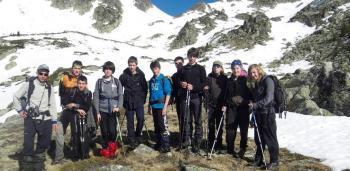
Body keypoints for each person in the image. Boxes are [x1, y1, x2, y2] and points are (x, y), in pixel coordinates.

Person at [13, 64, 57, 170]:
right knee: (28, 143)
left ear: (48, 75)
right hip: (30, 118)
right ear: (37, 73)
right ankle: (27, 165)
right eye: (41, 73)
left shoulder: (49, 87)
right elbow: (16, 96)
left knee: (44, 143)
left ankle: (39, 165)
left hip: (46, 119)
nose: (43, 76)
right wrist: (20, 110)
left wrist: (54, 120)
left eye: (45, 74)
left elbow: (53, 104)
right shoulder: (29, 84)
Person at [248, 64, 279, 169]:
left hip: (268, 114)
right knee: (259, 138)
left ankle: (274, 161)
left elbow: (269, 98)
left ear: (259, 71)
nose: (252, 74)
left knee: (270, 138)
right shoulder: (257, 83)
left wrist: (256, 105)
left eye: (254, 72)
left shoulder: (268, 80)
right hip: (259, 114)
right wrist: (253, 116)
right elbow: (256, 101)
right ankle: (259, 159)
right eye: (251, 73)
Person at [54, 60, 83, 164]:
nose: (77, 70)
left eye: (79, 69)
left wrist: (77, 107)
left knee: (75, 133)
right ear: (72, 68)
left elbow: (85, 96)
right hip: (66, 110)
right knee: (59, 132)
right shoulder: (65, 78)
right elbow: (61, 94)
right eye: (75, 68)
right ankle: (58, 158)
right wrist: (64, 105)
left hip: (76, 111)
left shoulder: (81, 80)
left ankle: (75, 155)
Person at [178, 47, 207, 153]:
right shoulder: (183, 69)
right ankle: (187, 139)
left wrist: (193, 87)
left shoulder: (200, 69)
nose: (192, 58)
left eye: (194, 56)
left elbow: (204, 84)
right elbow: (179, 81)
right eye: (190, 56)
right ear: (188, 56)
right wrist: (182, 84)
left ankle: (197, 142)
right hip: (185, 98)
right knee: (187, 120)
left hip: (197, 98)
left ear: (197, 57)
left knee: (198, 120)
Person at [222, 59, 252, 158]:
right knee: (230, 129)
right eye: (234, 68)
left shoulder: (246, 80)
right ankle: (230, 148)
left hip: (243, 108)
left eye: (237, 68)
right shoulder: (229, 80)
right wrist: (225, 104)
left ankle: (242, 149)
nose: (236, 70)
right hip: (231, 108)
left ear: (241, 68)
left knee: (243, 130)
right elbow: (226, 94)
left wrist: (249, 103)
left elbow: (251, 93)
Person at [94, 61, 123, 158]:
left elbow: (120, 95)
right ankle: (106, 148)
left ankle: (112, 148)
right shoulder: (99, 82)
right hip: (102, 110)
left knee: (112, 131)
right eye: (106, 69)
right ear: (103, 70)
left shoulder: (117, 81)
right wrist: (97, 112)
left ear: (112, 71)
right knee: (104, 130)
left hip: (113, 110)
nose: (107, 71)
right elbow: (96, 97)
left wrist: (118, 107)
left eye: (110, 69)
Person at [119, 56, 148, 149]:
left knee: (141, 119)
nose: (131, 67)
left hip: (139, 101)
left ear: (136, 65)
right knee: (130, 122)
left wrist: (143, 99)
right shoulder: (124, 75)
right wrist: (123, 100)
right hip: (128, 102)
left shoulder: (141, 74)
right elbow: (120, 89)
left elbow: (145, 88)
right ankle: (131, 139)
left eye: (133, 65)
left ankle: (138, 135)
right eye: (130, 65)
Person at [66, 75, 92, 160]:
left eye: (83, 83)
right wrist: (77, 109)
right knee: (76, 134)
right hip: (74, 116)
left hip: (85, 116)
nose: (81, 85)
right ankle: (76, 155)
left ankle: (85, 154)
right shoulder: (73, 92)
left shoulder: (88, 93)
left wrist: (75, 105)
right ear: (77, 83)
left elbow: (87, 106)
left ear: (86, 84)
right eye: (79, 83)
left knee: (85, 134)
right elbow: (68, 104)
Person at [148, 61, 172, 153]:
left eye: (156, 68)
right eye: (153, 69)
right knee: (156, 125)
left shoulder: (163, 79)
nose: (154, 71)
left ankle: (166, 146)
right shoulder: (151, 80)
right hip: (154, 106)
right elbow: (151, 94)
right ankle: (159, 144)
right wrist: (149, 107)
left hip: (161, 106)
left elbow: (168, 93)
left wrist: (165, 107)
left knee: (162, 126)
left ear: (159, 68)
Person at [204, 61, 227, 152]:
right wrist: (206, 104)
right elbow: (206, 90)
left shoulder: (225, 78)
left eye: (218, 66)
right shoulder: (209, 77)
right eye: (215, 66)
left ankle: (218, 144)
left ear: (221, 68)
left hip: (220, 105)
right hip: (211, 105)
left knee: (220, 126)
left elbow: (226, 93)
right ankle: (210, 144)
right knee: (211, 125)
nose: (216, 68)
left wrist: (225, 104)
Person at [170, 56, 184, 136]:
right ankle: (182, 136)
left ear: (183, 63)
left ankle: (187, 138)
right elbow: (173, 89)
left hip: (186, 99)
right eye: (176, 63)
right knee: (180, 118)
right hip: (178, 100)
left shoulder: (186, 73)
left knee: (186, 119)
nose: (178, 64)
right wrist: (172, 98)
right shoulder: (174, 76)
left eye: (179, 63)